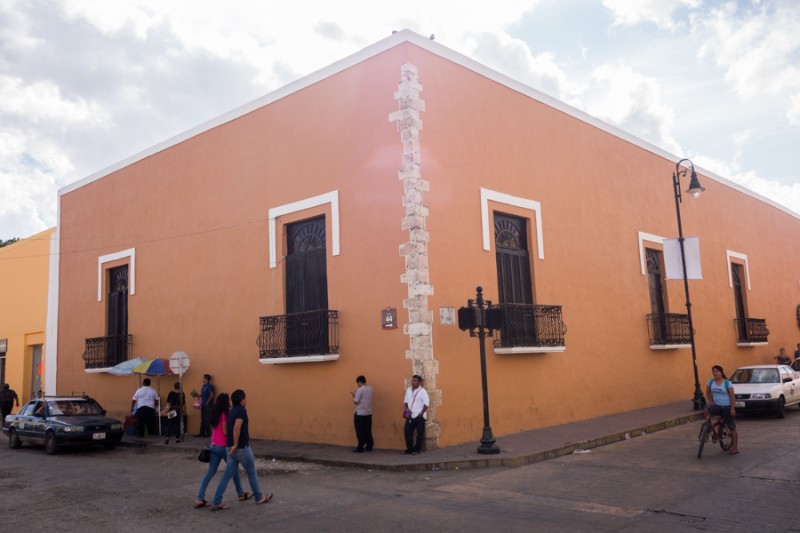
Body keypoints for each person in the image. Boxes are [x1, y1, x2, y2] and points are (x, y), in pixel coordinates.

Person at [211, 389, 273, 510]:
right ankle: (259, 497)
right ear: (241, 400)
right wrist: (235, 444)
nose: (246, 400)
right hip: (240, 448)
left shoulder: (231, 411)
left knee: (227, 475)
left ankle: (216, 501)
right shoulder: (241, 411)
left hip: (230, 449)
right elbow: (236, 428)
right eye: (245, 398)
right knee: (251, 472)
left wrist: (232, 446)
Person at [194, 393, 249, 508]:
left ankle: (200, 497)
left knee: (210, 472)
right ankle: (240, 494)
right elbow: (225, 432)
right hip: (223, 446)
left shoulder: (214, 413)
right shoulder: (224, 414)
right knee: (233, 470)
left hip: (214, 445)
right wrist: (234, 434)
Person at [704, 365, 739, 455]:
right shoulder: (711, 382)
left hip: (727, 407)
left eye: (717, 371)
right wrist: (711, 402)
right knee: (706, 409)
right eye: (713, 371)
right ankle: (709, 426)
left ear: (721, 373)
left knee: (732, 428)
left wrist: (732, 409)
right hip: (717, 406)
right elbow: (707, 393)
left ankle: (735, 448)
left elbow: (732, 396)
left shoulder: (727, 383)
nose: (715, 373)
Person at [402, 374, 429, 455]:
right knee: (407, 432)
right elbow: (405, 402)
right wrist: (407, 411)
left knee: (419, 434)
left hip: (419, 416)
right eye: (412, 380)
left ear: (419, 382)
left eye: (415, 380)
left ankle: (417, 450)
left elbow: (426, 404)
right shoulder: (408, 390)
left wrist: (421, 413)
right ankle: (410, 449)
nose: (413, 382)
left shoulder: (423, 391)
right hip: (410, 415)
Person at [351, 375, 374, 453]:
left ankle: (360, 447)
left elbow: (356, 401)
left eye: (358, 383)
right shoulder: (371, 389)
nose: (358, 384)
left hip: (360, 413)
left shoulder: (360, 390)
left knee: (360, 431)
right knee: (368, 430)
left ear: (359, 382)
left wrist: (354, 396)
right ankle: (369, 446)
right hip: (368, 412)